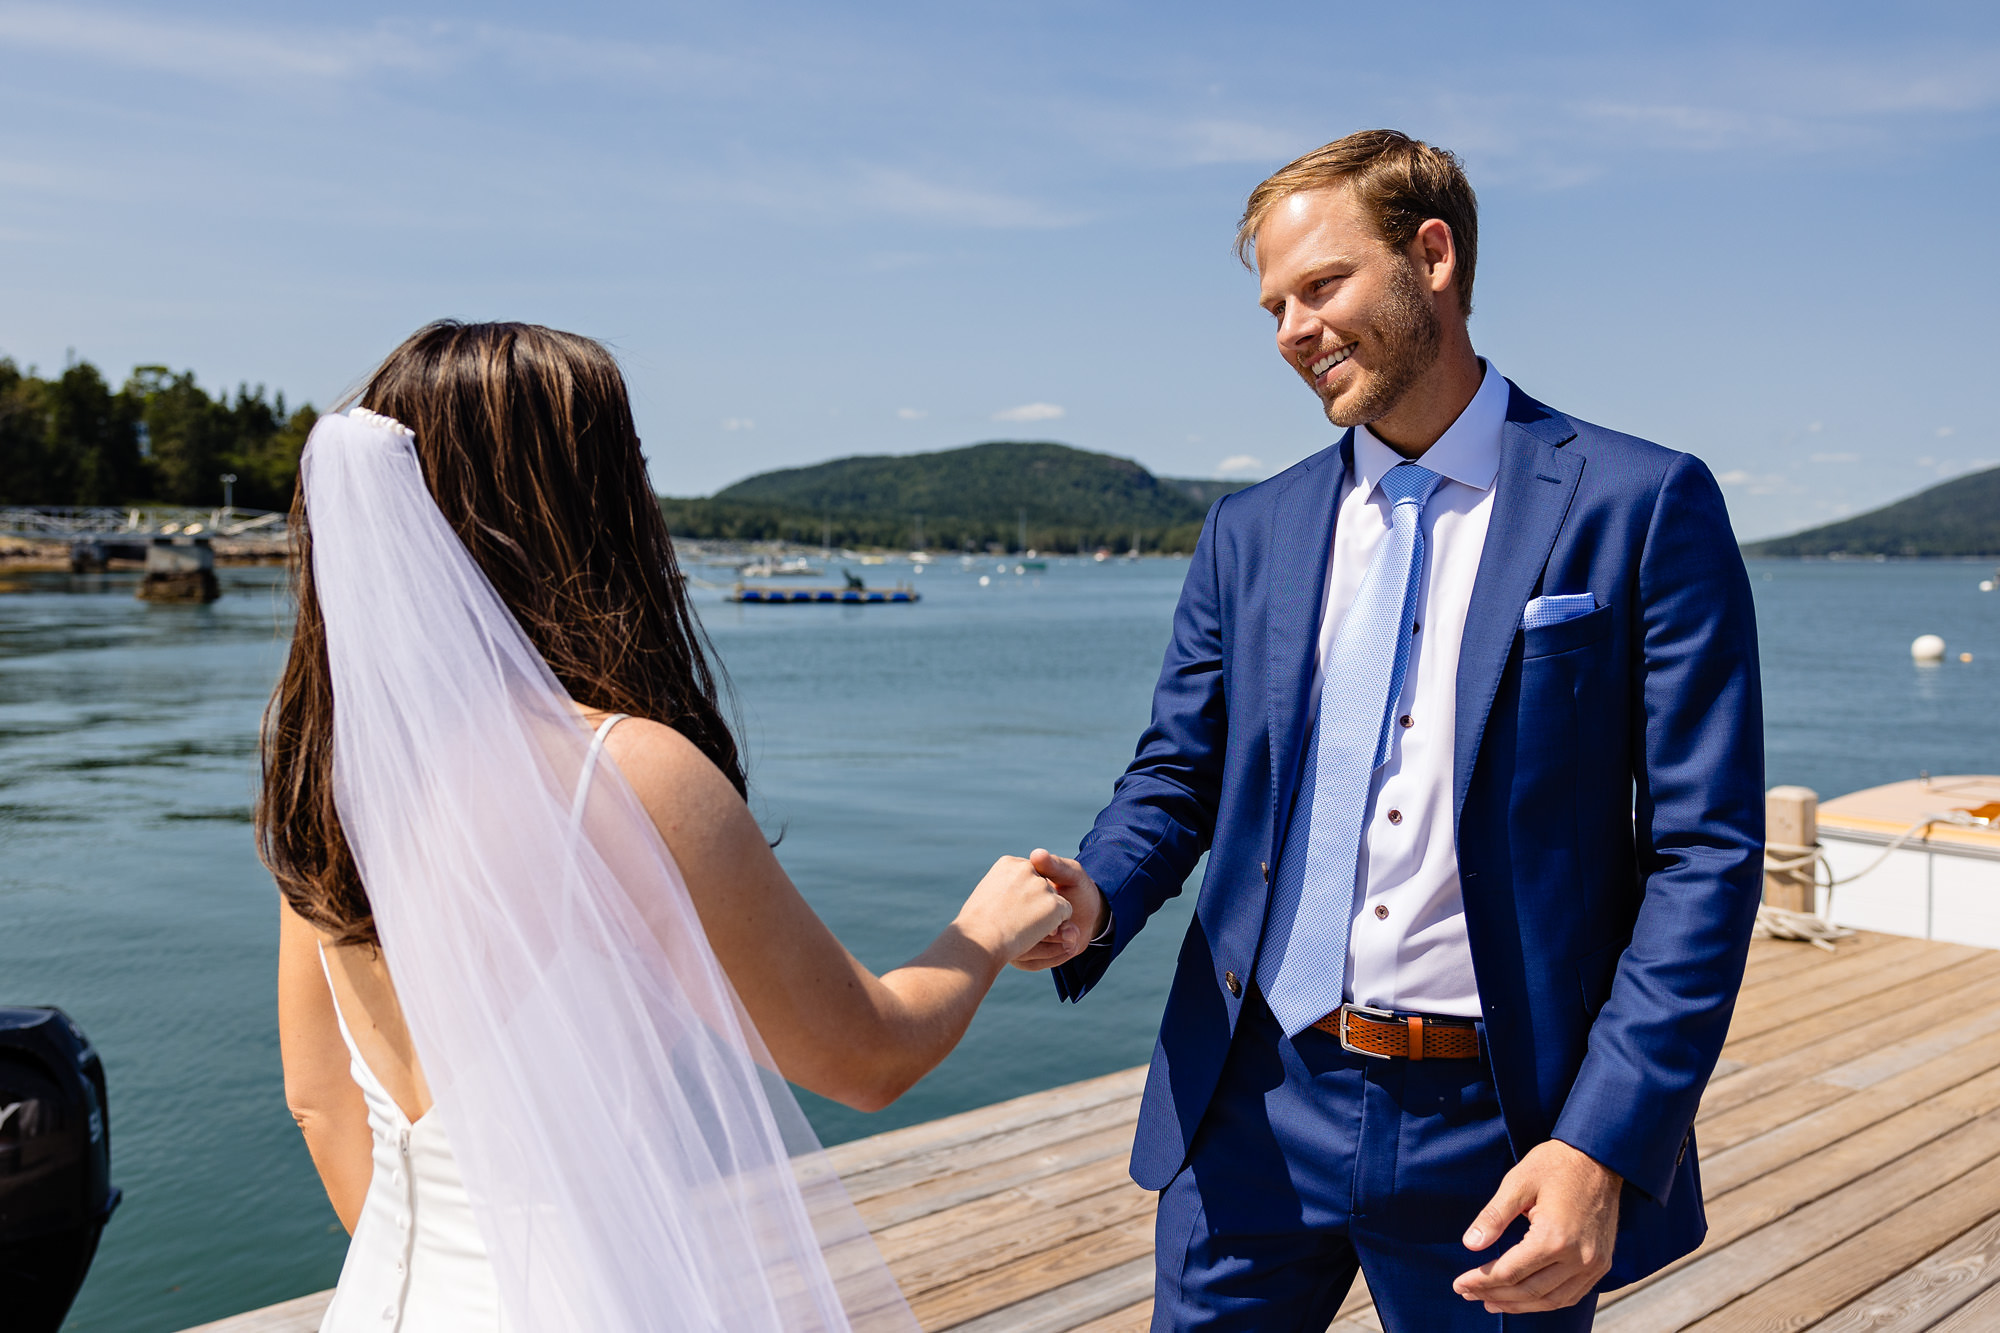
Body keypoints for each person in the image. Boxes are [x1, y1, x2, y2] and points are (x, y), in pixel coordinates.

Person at [1013, 130, 1764, 1331]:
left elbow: (1705, 857)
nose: (1289, 332)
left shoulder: (1640, 504)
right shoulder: (1249, 531)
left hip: (1501, 1122)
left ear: (1433, 255)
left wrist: (1600, 1142)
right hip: (1250, 1102)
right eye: (1270, 307)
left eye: (1320, 287)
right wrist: (1093, 893)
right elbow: (1179, 773)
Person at [260, 321, 1070, 1331]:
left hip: (389, 1297)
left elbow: (320, 1099)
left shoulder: (341, 775)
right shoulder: (625, 769)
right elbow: (864, 1056)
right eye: (629, 468)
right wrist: (985, 930)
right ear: (572, 504)